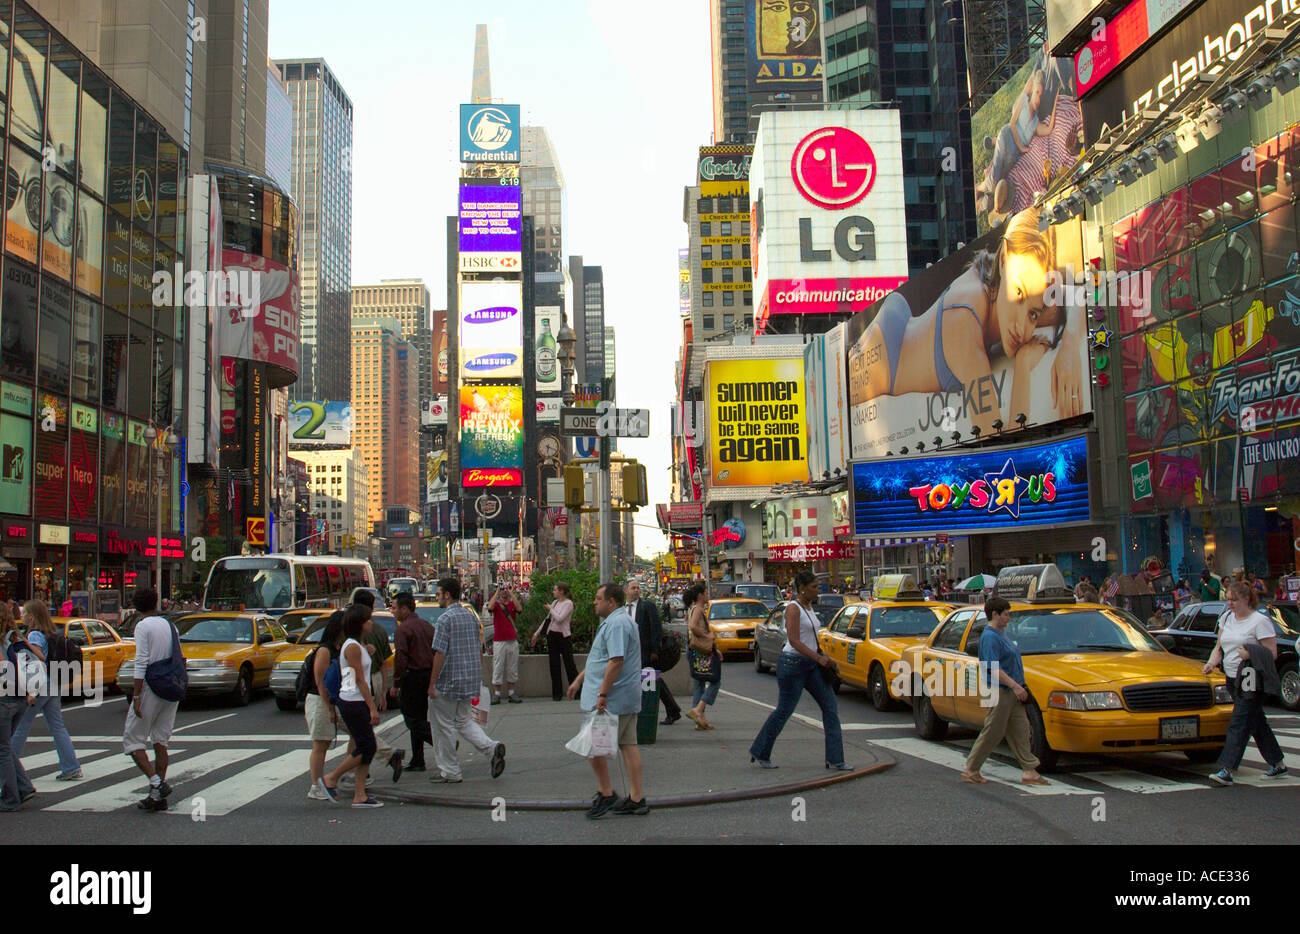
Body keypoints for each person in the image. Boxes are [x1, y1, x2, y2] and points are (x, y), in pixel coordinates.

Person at [848, 207, 1083, 433]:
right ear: (1003, 261)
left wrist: (1071, 343)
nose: (1023, 329)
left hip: (904, 318)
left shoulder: (1009, 283)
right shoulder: (963, 323)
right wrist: (1022, 368)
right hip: (888, 356)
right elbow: (995, 434)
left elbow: (1079, 284)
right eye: (1018, 293)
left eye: (1033, 313)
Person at [748, 570, 851, 771]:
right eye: (813, 587)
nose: (817, 590)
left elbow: (810, 638)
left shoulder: (809, 607)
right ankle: (760, 751)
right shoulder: (793, 609)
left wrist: (822, 657)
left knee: (830, 707)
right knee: (784, 710)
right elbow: (794, 641)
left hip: (811, 665)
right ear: (802, 590)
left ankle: (836, 759)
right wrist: (818, 658)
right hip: (793, 665)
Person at [566, 582, 647, 818]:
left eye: (598, 598)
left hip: (612, 699)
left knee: (592, 746)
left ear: (611, 601)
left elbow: (616, 660)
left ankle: (606, 792)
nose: (594, 602)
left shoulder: (617, 624)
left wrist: (602, 694)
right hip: (620, 697)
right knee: (628, 745)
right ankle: (636, 798)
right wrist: (579, 680)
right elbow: (599, 658)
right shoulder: (615, 622)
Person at [1205, 581, 1288, 785]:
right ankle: (1277, 763)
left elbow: (1271, 653)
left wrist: (1250, 653)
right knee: (1256, 720)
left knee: (1239, 721)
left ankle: (1228, 769)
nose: (1230, 603)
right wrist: (1211, 663)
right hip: (1232, 677)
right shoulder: (1226, 618)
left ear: (1246, 599)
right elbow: (1219, 647)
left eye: (1234, 599)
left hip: (1251, 676)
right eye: (1228, 599)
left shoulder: (1260, 621)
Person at [960, 595, 1049, 786]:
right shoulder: (990, 637)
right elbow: (993, 667)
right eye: (1006, 614)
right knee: (994, 730)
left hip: (1010, 690)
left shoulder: (1001, 633)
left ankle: (1029, 770)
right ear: (995, 614)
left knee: (1021, 729)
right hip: (998, 690)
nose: (1009, 618)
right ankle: (971, 768)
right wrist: (1016, 686)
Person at [428, 577, 504, 783]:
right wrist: (477, 677)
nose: (437, 597)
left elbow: (440, 653)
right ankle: (491, 747)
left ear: (447, 595)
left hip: (448, 681)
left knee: (443, 726)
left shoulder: (445, 620)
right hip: (468, 679)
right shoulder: (470, 617)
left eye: (438, 593)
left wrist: (432, 682)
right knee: (463, 720)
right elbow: (478, 649)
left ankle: (450, 771)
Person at [317, 604, 384, 808]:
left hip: (355, 700)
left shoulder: (356, 645)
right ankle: (331, 778)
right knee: (367, 746)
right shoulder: (353, 646)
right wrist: (372, 706)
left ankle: (360, 794)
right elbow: (360, 680)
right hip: (354, 701)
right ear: (360, 624)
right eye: (368, 620)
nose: (371, 622)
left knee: (366, 746)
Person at [123, 587, 182, 812]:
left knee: (132, 740)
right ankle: (157, 797)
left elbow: (141, 661)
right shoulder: (170, 625)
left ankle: (157, 782)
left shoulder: (143, 626)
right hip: (171, 686)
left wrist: (136, 694)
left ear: (137, 606)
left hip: (151, 686)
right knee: (160, 741)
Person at [11, 600, 81, 780]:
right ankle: (71, 766)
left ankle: (9, 769)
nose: (22, 615)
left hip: (39, 685)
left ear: (32, 616)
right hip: (53, 682)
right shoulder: (50, 632)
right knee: (57, 726)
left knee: (21, 727)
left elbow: (35, 661)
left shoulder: (34, 635)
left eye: (25, 612)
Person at [626, 579, 682, 726]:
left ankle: (670, 711)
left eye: (638, 588)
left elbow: (655, 628)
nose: (636, 590)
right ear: (626, 591)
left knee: (651, 681)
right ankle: (672, 710)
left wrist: (655, 650)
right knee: (653, 681)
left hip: (645, 653)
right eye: (633, 588)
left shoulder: (646, 606)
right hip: (630, 654)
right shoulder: (623, 609)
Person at [393, 592, 436, 772]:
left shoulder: (403, 630)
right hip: (428, 675)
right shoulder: (427, 626)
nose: (392, 611)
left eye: (394, 607)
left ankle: (440, 741)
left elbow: (401, 658)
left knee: (412, 719)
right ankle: (418, 759)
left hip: (413, 677)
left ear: (404, 609)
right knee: (419, 716)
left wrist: (396, 683)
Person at [0, 603, 37, 811]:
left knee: (2, 750)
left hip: (5, 699)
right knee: (5, 747)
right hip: (21, 699)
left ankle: (10, 798)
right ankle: (23, 787)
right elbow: (39, 659)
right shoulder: (16, 638)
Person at [305, 611, 344, 800]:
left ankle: (321, 782)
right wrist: (328, 708)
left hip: (332, 700)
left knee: (325, 742)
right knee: (320, 744)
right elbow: (320, 681)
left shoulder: (338, 648)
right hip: (319, 700)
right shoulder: (324, 650)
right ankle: (315, 785)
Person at [530, 582, 578, 701]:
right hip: (551, 635)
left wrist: (551, 609)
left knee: (569, 663)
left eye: (555, 590)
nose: (554, 592)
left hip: (563, 636)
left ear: (561, 591)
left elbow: (560, 618)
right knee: (554, 664)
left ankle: (577, 691)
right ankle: (557, 693)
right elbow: (548, 620)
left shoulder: (568, 604)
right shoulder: (555, 602)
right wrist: (537, 634)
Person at [683, 582, 720, 730]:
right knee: (715, 681)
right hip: (699, 651)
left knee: (699, 683)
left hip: (694, 649)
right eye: (706, 593)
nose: (708, 595)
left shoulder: (695, 609)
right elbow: (693, 626)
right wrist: (707, 636)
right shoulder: (698, 609)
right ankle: (698, 710)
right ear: (700, 595)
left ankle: (700, 719)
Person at [486, 583, 522, 703]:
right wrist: (496, 592)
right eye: (502, 590)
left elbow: (519, 609)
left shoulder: (511, 604)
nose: (504, 592)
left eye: (505, 589)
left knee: (512, 666)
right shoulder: (496, 605)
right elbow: (489, 607)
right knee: (498, 666)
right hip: (499, 641)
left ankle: (512, 693)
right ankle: (497, 693)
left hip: (512, 640)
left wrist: (512, 593)